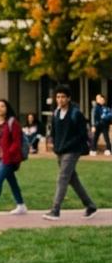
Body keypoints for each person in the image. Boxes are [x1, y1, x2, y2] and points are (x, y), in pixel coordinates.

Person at [46, 86, 99, 220]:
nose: (60, 99)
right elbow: (54, 132)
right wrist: (54, 144)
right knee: (72, 179)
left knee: (62, 178)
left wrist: (67, 145)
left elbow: (82, 135)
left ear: (68, 98)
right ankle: (90, 205)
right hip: (60, 150)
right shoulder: (56, 112)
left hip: (72, 150)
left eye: (63, 97)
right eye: (58, 97)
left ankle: (55, 210)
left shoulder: (76, 113)